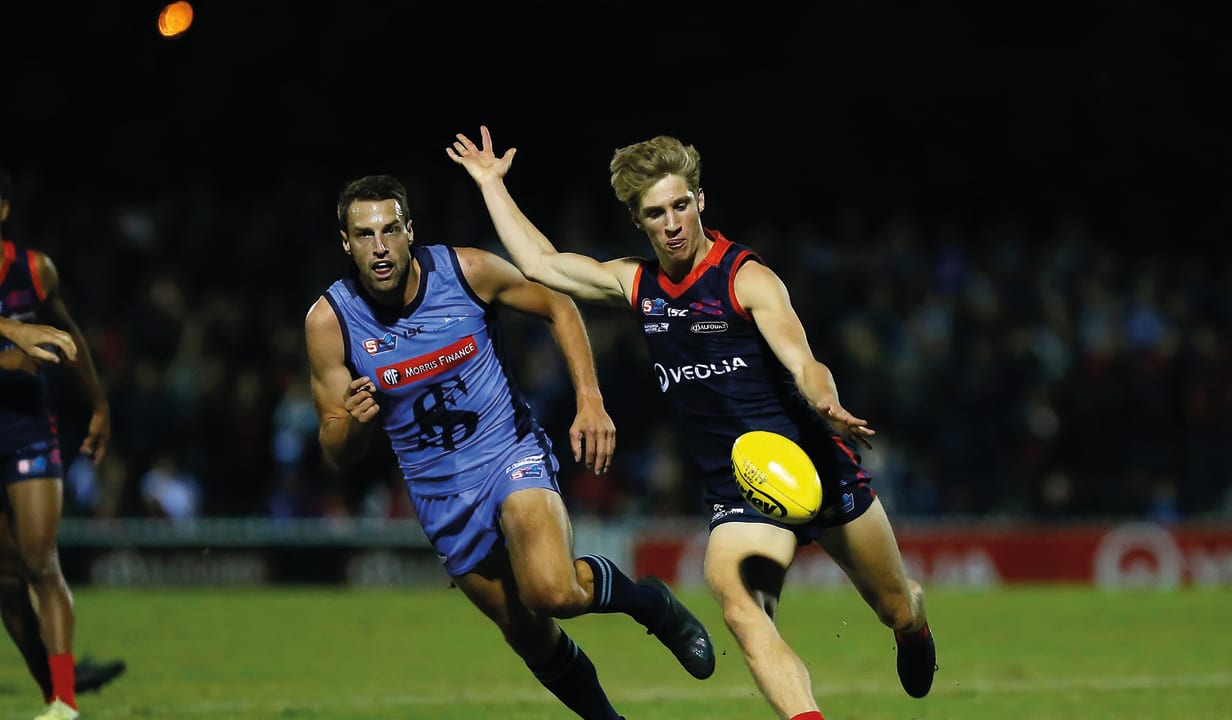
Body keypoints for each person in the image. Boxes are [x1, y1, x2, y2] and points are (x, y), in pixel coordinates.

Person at [448, 127, 938, 720]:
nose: (673, 222)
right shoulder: (639, 285)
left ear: (700, 201)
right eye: (656, 213)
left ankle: (912, 623)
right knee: (740, 607)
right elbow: (541, 264)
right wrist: (492, 185)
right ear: (639, 221)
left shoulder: (745, 278)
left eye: (681, 205)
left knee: (895, 607)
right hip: (741, 491)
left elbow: (805, 360)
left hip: (816, 467)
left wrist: (826, 403)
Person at [304, 174, 715, 720]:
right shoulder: (330, 323)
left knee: (553, 592)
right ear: (345, 242)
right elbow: (335, 449)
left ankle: (651, 604)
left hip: (508, 454)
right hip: (440, 495)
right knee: (530, 636)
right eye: (363, 235)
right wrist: (352, 426)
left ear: (409, 231)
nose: (379, 247)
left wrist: (589, 401)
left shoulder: (466, 271)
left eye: (389, 230)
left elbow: (559, 305)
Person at [0, 171, 123, 720]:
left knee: (39, 561)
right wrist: (13, 334)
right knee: (4, 582)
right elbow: (23, 351)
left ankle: (65, 703)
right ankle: (55, 691)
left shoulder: (34, 270)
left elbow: (68, 337)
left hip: (26, 427)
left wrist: (98, 405)